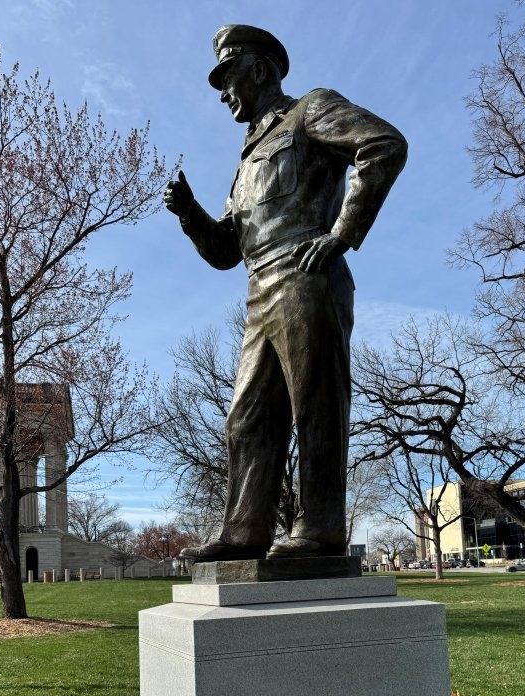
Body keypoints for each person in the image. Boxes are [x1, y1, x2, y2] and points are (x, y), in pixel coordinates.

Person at [165, 25, 407, 561]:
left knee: (314, 406)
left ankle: (319, 528)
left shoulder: (311, 110)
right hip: (259, 291)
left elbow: (383, 145)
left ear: (259, 68)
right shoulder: (245, 160)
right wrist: (190, 215)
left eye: (228, 77)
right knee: (248, 416)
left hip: (305, 277)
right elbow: (227, 250)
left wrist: (342, 234)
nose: (224, 92)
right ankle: (244, 532)